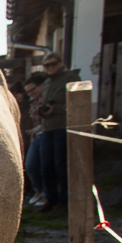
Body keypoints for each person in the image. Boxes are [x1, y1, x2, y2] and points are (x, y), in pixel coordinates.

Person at [36, 52, 80, 212]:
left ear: (60, 63)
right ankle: (51, 198)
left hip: (63, 126)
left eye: (53, 64)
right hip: (48, 128)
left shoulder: (71, 78)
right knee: (46, 165)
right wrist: (43, 110)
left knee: (61, 165)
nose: (50, 68)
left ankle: (64, 201)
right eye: (47, 65)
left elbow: (77, 103)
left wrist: (56, 109)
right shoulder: (47, 83)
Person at [22, 72, 48, 207]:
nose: (31, 93)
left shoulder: (48, 99)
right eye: (28, 91)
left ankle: (47, 194)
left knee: (46, 166)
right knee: (30, 165)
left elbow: (50, 118)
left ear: (41, 86)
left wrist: (36, 130)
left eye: (33, 89)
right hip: (36, 137)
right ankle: (38, 190)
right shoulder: (32, 103)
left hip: (47, 134)